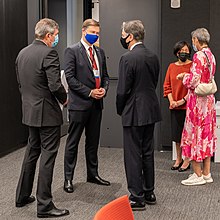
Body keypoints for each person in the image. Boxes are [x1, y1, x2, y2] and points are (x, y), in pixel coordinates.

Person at [15, 18, 69, 218]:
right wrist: (65, 100)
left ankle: (22, 196)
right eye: (56, 35)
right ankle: (44, 205)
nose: (56, 39)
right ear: (48, 35)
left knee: (31, 153)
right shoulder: (49, 53)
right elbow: (55, 85)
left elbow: (21, 84)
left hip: (29, 112)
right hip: (47, 114)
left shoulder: (22, 53)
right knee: (48, 157)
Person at [116, 20, 161, 211]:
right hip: (150, 109)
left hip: (133, 111)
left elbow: (122, 91)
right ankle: (149, 192)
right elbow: (154, 82)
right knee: (147, 152)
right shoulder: (153, 56)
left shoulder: (127, 58)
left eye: (123, 33)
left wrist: (120, 109)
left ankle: (136, 197)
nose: (122, 36)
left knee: (133, 155)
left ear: (131, 36)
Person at [63, 19, 110, 193]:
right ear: (83, 31)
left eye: (97, 33)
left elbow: (105, 76)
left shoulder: (100, 51)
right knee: (73, 142)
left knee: (92, 142)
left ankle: (93, 174)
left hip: (97, 104)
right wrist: (89, 92)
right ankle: (68, 178)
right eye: (92, 32)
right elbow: (70, 78)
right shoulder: (72, 51)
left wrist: (104, 89)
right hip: (79, 104)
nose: (95, 35)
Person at [177, 28, 217, 186]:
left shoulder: (199, 55)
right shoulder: (211, 55)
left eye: (193, 40)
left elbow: (194, 80)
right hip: (208, 101)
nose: (192, 42)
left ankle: (197, 173)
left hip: (197, 103)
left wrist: (183, 77)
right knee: (206, 136)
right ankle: (207, 173)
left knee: (195, 135)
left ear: (197, 40)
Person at [163, 41, 192, 172]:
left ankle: (187, 160)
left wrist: (182, 101)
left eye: (186, 50)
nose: (184, 52)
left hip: (189, 106)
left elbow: (193, 87)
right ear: (177, 52)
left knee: (188, 135)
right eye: (181, 50)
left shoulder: (193, 66)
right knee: (177, 135)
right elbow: (167, 86)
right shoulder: (171, 67)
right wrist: (172, 101)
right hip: (174, 106)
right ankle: (178, 158)